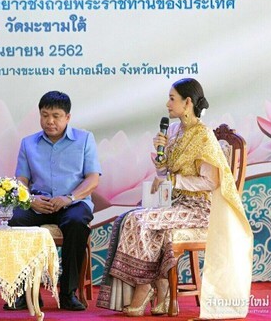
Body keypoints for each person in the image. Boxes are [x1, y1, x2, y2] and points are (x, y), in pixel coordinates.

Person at [97, 78, 253, 318]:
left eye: (172, 98)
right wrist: (160, 155)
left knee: (141, 221)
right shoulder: (174, 130)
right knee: (126, 218)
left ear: (187, 102)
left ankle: (145, 288)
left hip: (199, 209)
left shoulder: (203, 137)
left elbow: (211, 182)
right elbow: (164, 174)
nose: (167, 104)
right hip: (174, 201)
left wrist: (175, 181)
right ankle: (161, 286)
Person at [6, 91, 101, 311]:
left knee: (77, 223)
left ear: (67, 117)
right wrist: (29, 200)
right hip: (40, 203)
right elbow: (21, 179)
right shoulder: (28, 143)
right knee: (15, 220)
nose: (50, 121)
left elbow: (93, 179)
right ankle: (27, 292)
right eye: (45, 115)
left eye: (56, 116)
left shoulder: (85, 139)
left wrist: (69, 198)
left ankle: (68, 293)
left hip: (73, 202)